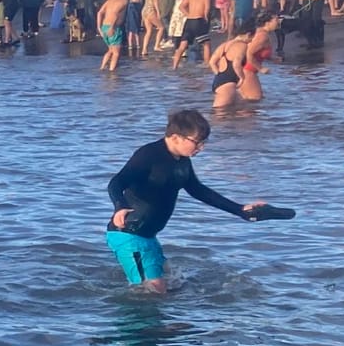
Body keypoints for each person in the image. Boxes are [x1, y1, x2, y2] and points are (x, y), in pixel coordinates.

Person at [104, 108, 284, 288]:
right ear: (175, 137)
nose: (201, 147)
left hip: (148, 236)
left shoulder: (182, 161)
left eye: (203, 142)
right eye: (196, 142)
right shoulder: (148, 155)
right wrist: (120, 207)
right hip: (129, 235)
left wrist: (240, 209)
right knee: (151, 289)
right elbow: (116, 182)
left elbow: (199, 190)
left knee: (171, 283)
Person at [97, 0, 133, 71]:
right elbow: (115, 13)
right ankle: (112, 71)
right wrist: (112, 27)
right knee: (116, 52)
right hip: (113, 28)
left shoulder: (111, 0)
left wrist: (99, 27)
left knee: (110, 50)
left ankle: (102, 68)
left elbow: (100, 12)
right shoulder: (124, 1)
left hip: (104, 27)